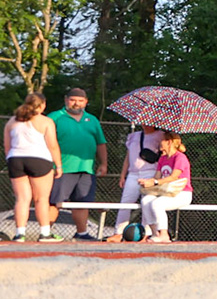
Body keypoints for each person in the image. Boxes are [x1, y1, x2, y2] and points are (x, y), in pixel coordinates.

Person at [50, 88, 108, 240]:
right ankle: (46, 232)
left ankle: (81, 233)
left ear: (86, 102)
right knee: (54, 202)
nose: (76, 103)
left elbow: (100, 143)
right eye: (73, 100)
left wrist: (103, 164)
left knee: (82, 202)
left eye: (80, 100)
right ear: (66, 100)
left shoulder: (92, 120)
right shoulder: (54, 118)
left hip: (86, 169)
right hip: (60, 169)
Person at [7, 94, 62, 242]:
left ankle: (20, 233)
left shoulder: (12, 121)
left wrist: (11, 160)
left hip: (15, 159)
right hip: (39, 159)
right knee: (41, 199)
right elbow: (52, 145)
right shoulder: (45, 121)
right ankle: (44, 233)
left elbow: (7, 145)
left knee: (22, 199)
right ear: (42, 105)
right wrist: (58, 165)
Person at [106, 122, 166, 241]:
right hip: (133, 173)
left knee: (147, 202)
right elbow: (128, 156)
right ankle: (119, 232)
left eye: (148, 122)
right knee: (126, 202)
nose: (145, 124)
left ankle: (147, 232)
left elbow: (165, 153)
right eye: (143, 122)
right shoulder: (134, 135)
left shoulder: (161, 135)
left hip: (150, 172)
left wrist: (157, 177)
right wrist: (123, 175)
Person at [138, 132, 193, 243]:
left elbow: (173, 177)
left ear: (169, 142)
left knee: (157, 203)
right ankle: (155, 234)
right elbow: (157, 177)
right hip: (166, 192)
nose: (159, 142)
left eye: (162, 140)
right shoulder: (163, 159)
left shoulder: (180, 157)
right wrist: (148, 182)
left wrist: (156, 182)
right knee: (145, 201)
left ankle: (164, 235)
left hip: (182, 194)